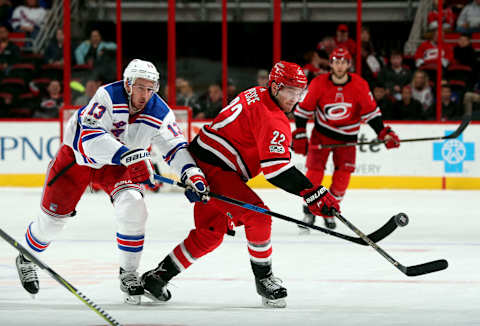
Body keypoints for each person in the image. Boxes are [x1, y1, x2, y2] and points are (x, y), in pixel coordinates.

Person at [139, 61, 340, 308]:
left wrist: (285, 151)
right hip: (216, 170)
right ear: (275, 87)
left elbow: (257, 142)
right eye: (290, 91)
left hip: (200, 161)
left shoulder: (257, 92)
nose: (295, 98)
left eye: (300, 92)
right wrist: (313, 192)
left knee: (209, 234)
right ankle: (264, 279)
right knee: (260, 217)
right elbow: (275, 170)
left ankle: (157, 277)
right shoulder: (274, 118)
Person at [14, 59, 209, 305]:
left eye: (151, 89)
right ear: (128, 84)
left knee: (134, 205)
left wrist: (192, 173)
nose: (145, 94)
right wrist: (130, 155)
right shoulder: (107, 95)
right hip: (77, 160)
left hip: (117, 167)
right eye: (140, 87)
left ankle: (128, 273)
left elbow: (175, 146)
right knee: (51, 224)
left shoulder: (159, 111)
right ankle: (27, 256)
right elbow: (90, 138)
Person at [292, 47, 400, 230]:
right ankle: (309, 210)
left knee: (342, 178)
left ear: (349, 64)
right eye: (336, 61)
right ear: (331, 64)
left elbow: (371, 114)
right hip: (322, 135)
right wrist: (301, 134)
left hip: (348, 139)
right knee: (314, 174)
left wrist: (383, 133)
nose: (340, 65)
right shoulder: (318, 83)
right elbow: (302, 111)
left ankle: (329, 209)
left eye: (343, 62)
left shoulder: (359, 85)